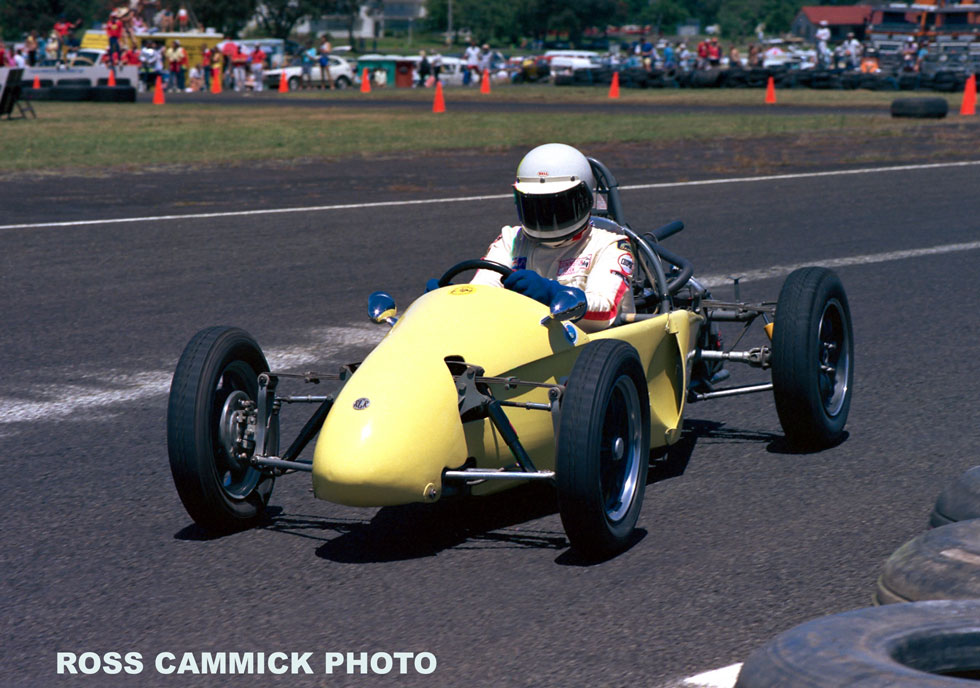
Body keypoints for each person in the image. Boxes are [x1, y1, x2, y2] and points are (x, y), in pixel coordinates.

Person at [464, 143, 635, 332]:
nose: (545, 215)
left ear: (584, 199)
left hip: (589, 344)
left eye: (558, 207)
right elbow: (480, 294)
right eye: (535, 206)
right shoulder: (510, 239)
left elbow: (606, 311)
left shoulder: (609, 244)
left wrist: (552, 294)